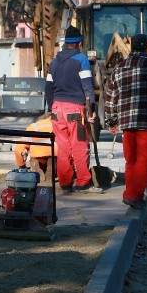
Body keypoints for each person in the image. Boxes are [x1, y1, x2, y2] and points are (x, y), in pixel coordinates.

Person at [104, 33, 147, 209]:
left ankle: (132, 192)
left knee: (131, 160)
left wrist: (111, 120)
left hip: (127, 123)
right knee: (145, 160)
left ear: (132, 48)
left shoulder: (119, 69)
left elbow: (110, 97)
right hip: (146, 122)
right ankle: (133, 195)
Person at [44, 25, 102, 193]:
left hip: (56, 110)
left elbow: (48, 88)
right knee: (79, 145)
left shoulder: (53, 63)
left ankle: (65, 182)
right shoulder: (81, 60)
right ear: (79, 43)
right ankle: (83, 180)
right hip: (75, 111)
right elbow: (88, 88)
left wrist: (51, 108)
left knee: (62, 147)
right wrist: (91, 113)